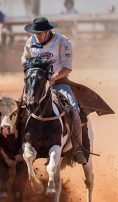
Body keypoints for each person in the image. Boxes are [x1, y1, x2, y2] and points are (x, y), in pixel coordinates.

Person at [21, 17, 87, 164]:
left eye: (39, 33)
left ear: (48, 31)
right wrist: (32, 72)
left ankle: (77, 149)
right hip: (36, 83)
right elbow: (25, 60)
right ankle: (18, 146)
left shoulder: (63, 42)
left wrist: (52, 78)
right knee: (20, 108)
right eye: (35, 33)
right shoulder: (31, 41)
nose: (36, 35)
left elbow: (67, 67)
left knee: (73, 110)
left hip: (58, 82)